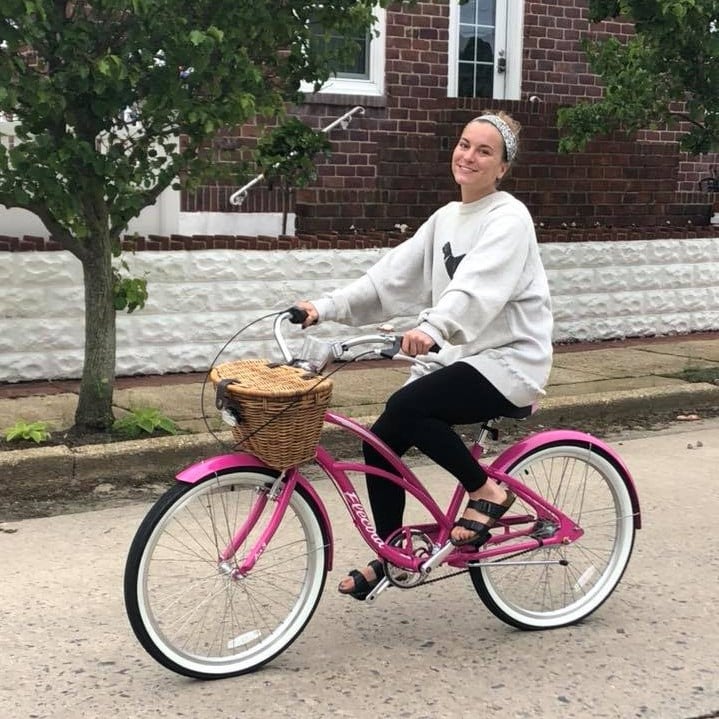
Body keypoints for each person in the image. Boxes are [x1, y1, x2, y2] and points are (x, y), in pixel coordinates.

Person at [295, 110, 553, 600]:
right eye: (463, 144)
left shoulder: (509, 218)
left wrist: (433, 328)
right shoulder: (445, 220)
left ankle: (487, 492)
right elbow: (386, 281)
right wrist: (321, 308)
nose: (468, 156)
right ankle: (393, 554)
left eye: (484, 151)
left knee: (409, 408)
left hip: (508, 359)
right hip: (455, 358)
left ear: (502, 168)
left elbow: (477, 289)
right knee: (381, 440)